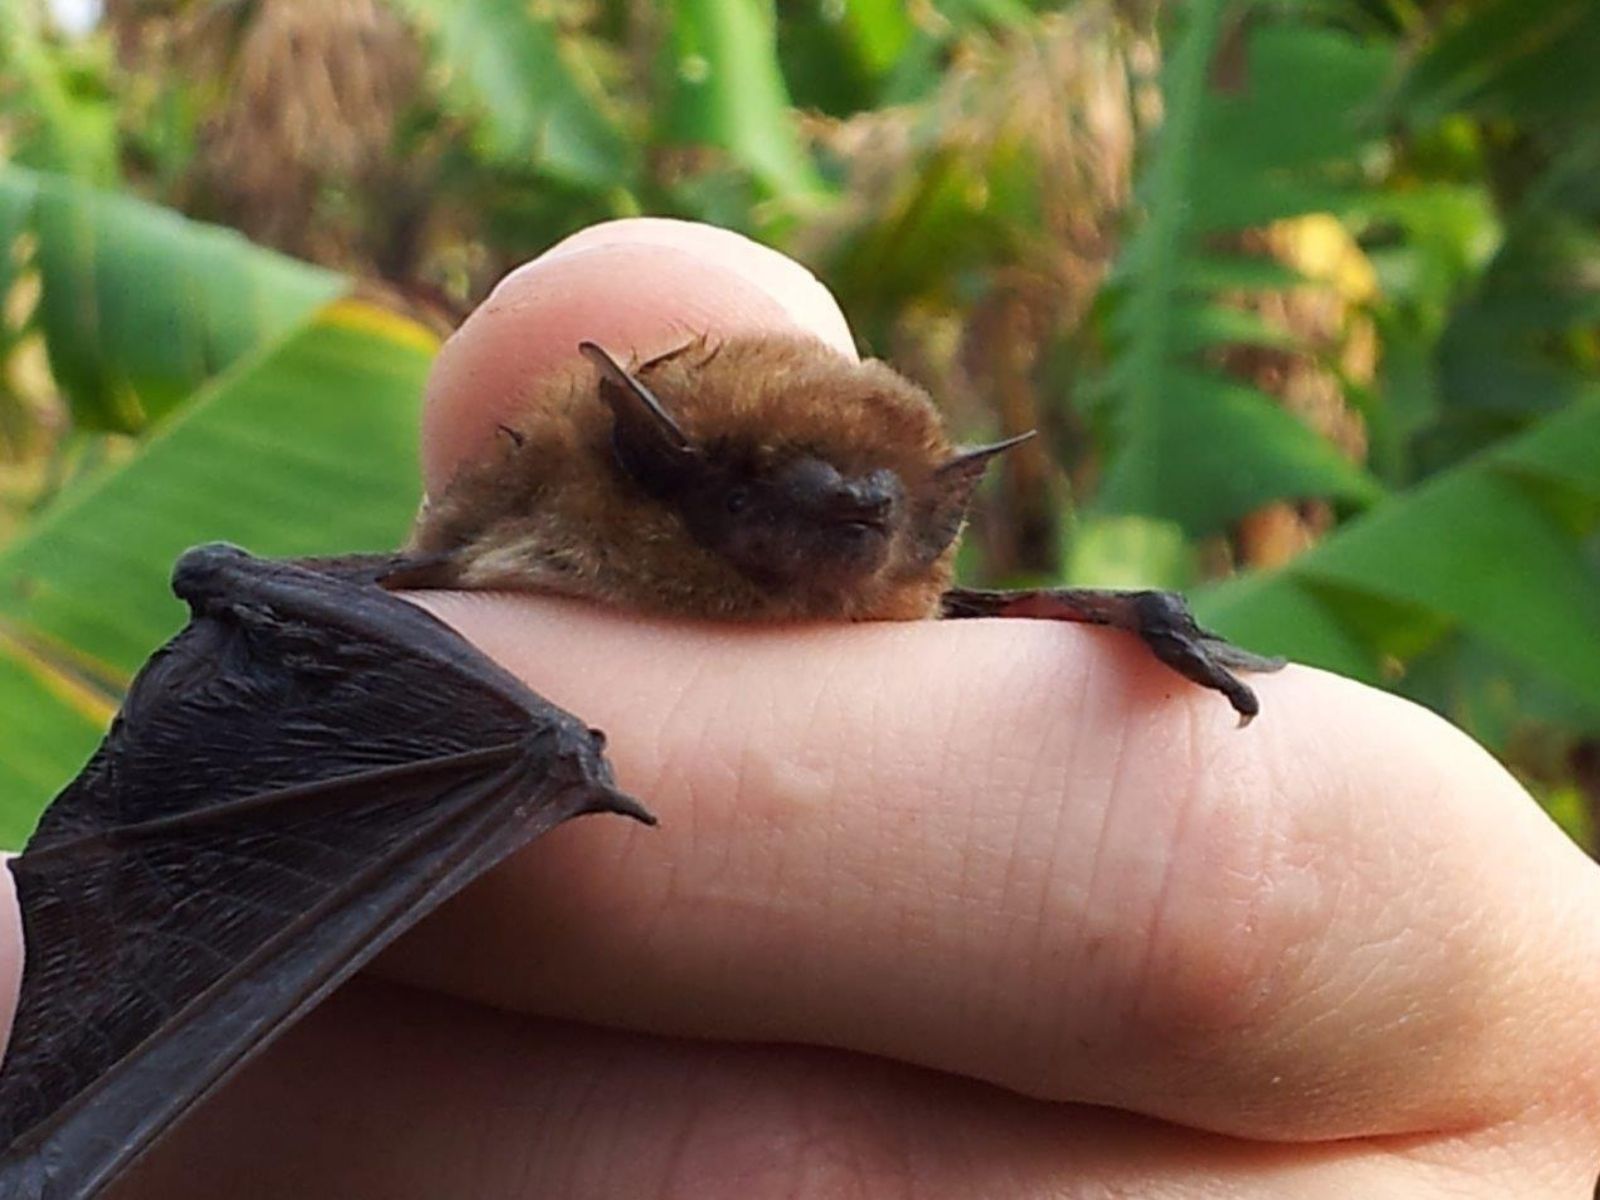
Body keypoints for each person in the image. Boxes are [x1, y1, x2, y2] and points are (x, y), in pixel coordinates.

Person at [27, 219, 1600, 1197]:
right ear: (646, 461)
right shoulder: (543, 549)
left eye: (895, 512)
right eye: (787, 495)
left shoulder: (908, 605)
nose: (850, 529)